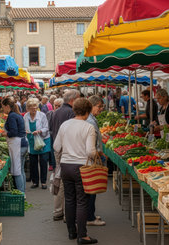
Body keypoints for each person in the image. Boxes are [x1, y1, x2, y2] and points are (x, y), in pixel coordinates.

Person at [54, 98, 98, 244]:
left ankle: (71, 232)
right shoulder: (88, 127)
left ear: (74, 110)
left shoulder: (65, 125)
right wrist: (97, 155)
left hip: (65, 166)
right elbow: (91, 152)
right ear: (88, 111)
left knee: (69, 199)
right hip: (81, 168)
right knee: (82, 201)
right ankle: (82, 235)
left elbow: (56, 146)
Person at [50, 89, 80, 222]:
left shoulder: (56, 112)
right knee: (65, 182)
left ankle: (57, 210)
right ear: (73, 100)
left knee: (59, 179)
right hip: (65, 150)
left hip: (57, 148)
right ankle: (66, 213)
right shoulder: (71, 112)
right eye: (78, 99)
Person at [0, 97, 28, 192]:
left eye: (3, 107)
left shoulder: (12, 116)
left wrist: (0, 134)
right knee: (21, 170)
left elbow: (13, 132)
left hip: (18, 145)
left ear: (7, 106)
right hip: (23, 144)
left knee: (17, 171)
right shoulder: (17, 115)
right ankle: (23, 192)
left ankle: (21, 193)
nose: (3, 109)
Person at [85, 95, 106, 226]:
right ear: (92, 106)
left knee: (91, 188)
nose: (101, 109)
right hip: (91, 158)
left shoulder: (92, 119)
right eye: (99, 106)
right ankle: (89, 217)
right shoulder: (90, 122)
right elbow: (92, 144)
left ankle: (90, 214)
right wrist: (100, 154)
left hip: (91, 157)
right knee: (91, 188)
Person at [24, 98, 51, 189]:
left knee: (43, 161)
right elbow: (25, 128)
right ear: (28, 108)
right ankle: (35, 182)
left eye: (35, 107)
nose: (33, 109)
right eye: (31, 107)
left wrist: (39, 131)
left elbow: (46, 128)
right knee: (33, 162)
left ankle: (43, 182)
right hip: (32, 141)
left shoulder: (42, 115)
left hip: (43, 141)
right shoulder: (26, 116)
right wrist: (26, 132)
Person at [46, 98, 64, 171]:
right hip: (52, 135)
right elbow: (47, 125)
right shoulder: (50, 113)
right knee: (52, 151)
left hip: (60, 135)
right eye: (55, 105)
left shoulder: (63, 114)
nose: (56, 107)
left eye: (59, 106)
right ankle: (53, 165)